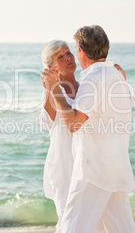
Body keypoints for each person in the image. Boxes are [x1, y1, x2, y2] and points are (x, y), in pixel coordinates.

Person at [41, 25, 135, 233]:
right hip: (115, 167)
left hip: (92, 170)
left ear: (81, 52)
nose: (70, 56)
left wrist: (55, 90)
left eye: (72, 50)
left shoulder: (92, 80)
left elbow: (74, 123)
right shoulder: (114, 77)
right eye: (61, 56)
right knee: (122, 229)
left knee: (71, 228)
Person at [39, 40, 79, 233]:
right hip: (63, 164)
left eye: (68, 53)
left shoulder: (86, 86)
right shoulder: (56, 91)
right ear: (52, 67)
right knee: (68, 218)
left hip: (86, 161)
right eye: (60, 57)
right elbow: (46, 121)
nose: (68, 58)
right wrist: (50, 88)